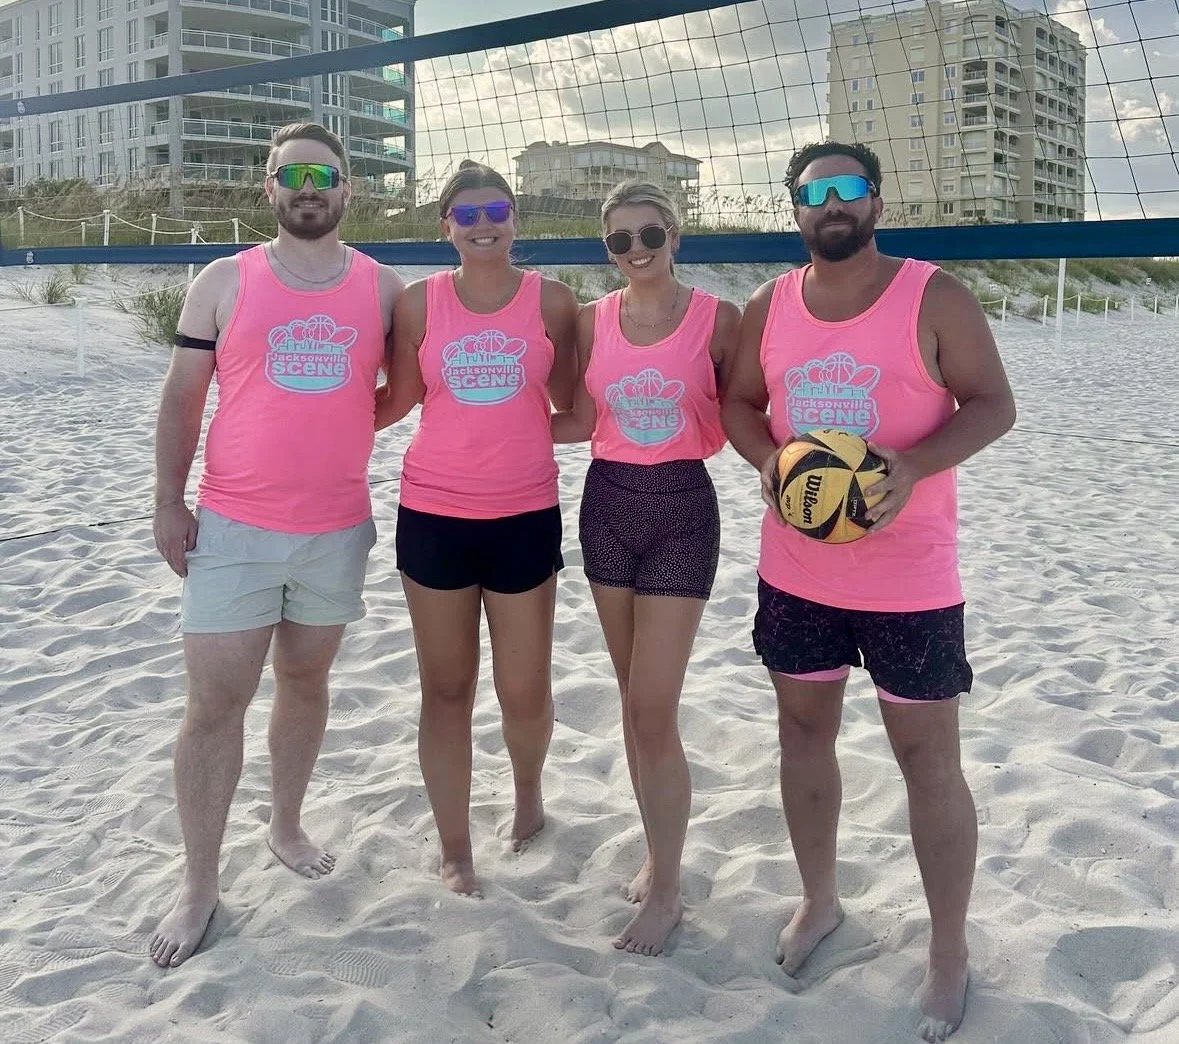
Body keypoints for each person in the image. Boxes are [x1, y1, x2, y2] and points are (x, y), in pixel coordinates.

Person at [721, 140, 1015, 1041]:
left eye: (847, 188)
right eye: (813, 192)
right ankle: (819, 901)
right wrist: (770, 459)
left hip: (911, 578)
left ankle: (947, 952)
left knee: (927, 761)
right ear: (795, 209)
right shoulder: (769, 304)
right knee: (803, 733)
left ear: (876, 202)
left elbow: (992, 404)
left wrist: (913, 467)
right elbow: (738, 403)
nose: (830, 204)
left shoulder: (932, 295)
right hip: (796, 571)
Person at [149, 121, 405, 968]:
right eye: (290, 173)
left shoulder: (380, 288)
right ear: (268, 187)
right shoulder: (224, 280)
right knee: (215, 704)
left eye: (323, 175)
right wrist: (166, 502)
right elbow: (184, 398)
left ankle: (286, 823)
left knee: (305, 680)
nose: (307, 186)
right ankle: (198, 883)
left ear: (347, 188)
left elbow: (404, 390)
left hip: (336, 529)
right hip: (232, 526)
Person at [379, 161, 579, 896]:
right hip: (432, 513)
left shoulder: (553, 303)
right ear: (445, 226)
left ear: (515, 218)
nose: (483, 223)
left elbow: (576, 407)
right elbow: (398, 400)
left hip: (524, 513)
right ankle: (456, 849)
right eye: (466, 214)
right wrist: (307, 430)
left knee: (524, 688)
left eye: (496, 209)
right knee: (446, 688)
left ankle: (528, 795)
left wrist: (511, 434)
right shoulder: (417, 304)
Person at [551, 181, 739, 956]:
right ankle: (657, 851)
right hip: (608, 506)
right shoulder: (593, 323)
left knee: (655, 709)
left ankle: (665, 891)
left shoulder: (718, 320)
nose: (635, 251)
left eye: (649, 235)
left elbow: (754, 408)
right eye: (618, 240)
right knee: (632, 704)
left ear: (676, 234)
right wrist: (477, 414)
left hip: (681, 510)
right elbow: (579, 418)